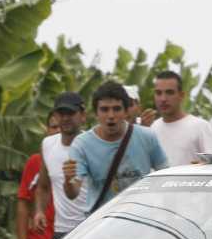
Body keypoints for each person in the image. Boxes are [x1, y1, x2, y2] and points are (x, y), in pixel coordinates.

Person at [65, 82, 167, 214]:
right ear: (96, 113)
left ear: (126, 112)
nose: (111, 115)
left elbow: (165, 174)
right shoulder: (82, 144)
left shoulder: (147, 136)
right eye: (104, 109)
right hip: (101, 222)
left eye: (117, 109)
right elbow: (73, 193)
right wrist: (68, 181)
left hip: (141, 219)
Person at [34, 92, 88, 239]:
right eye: (61, 113)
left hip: (90, 229)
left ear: (83, 116)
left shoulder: (93, 144)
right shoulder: (48, 144)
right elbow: (43, 186)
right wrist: (39, 211)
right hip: (61, 232)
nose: (65, 118)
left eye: (70, 113)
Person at [140, 70, 212, 166]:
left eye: (169, 92)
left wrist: (204, 166)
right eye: (158, 93)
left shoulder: (200, 126)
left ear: (181, 95)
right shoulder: (152, 128)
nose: (163, 99)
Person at [16, 113, 60, 239]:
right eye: (54, 127)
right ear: (47, 130)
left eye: (61, 127)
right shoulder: (35, 162)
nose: (57, 131)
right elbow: (23, 205)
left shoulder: (79, 159)